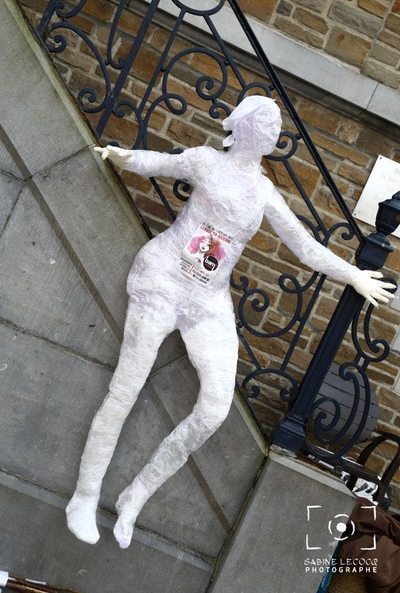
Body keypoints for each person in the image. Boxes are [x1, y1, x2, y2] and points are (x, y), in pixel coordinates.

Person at [66, 96, 395, 549]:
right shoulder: (205, 161)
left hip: (208, 301)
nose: (269, 130)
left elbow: (304, 246)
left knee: (215, 409)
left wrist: (353, 274)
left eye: (274, 126)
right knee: (125, 389)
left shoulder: (263, 192)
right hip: (163, 280)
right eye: (261, 122)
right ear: (238, 127)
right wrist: (124, 157)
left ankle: (136, 495)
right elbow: (159, 162)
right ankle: (84, 495)